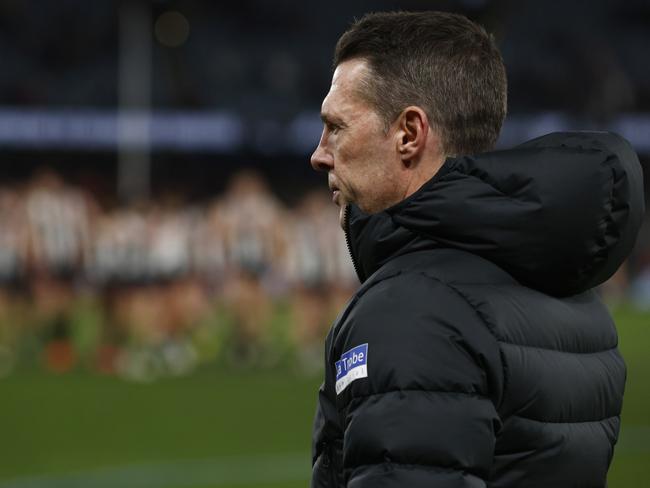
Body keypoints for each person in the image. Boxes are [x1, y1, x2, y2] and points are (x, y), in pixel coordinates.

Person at [309, 11, 644, 488]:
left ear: (409, 134)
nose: (319, 152)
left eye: (336, 127)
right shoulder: (568, 292)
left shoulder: (412, 307)